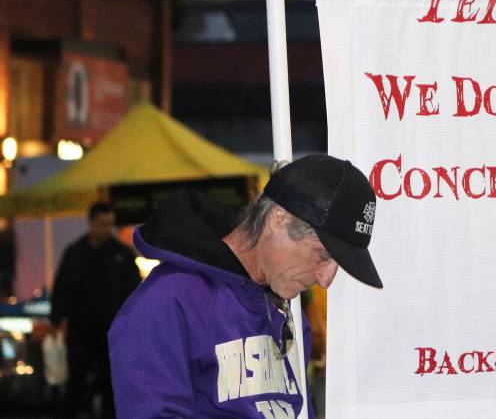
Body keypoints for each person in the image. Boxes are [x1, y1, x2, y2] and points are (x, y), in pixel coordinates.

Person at [108, 154, 383, 417]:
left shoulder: (287, 311)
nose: (326, 279)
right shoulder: (170, 301)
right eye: (323, 256)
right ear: (279, 219)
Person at [50, 201, 142, 418]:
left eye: (109, 224)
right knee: (77, 377)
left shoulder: (122, 254)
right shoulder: (75, 253)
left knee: (111, 380)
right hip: (81, 327)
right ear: (91, 222)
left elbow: (135, 293)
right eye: (102, 224)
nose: (106, 229)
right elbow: (62, 287)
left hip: (113, 330)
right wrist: (57, 320)